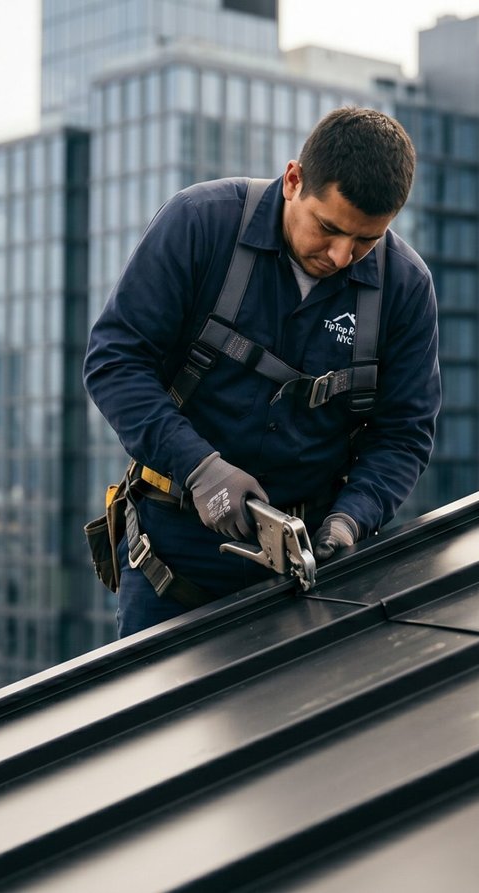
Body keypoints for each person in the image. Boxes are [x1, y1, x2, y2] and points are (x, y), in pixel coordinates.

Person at [84, 106, 441, 638]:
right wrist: (199, 467)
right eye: (329, 229)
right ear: (294, 179)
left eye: (366, 241)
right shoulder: (200, 224)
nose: (342, 256)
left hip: (306, 577)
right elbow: (115, 361)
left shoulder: (405, 289)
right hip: (173, 563)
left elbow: (404, 434)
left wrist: (351, 521)